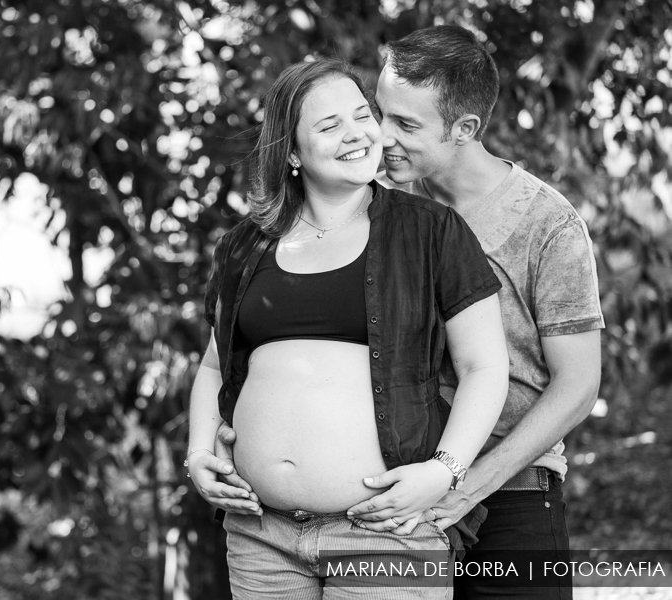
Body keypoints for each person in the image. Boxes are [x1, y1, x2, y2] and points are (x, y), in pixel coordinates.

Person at [186, 57, 509, 599]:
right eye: (329, 125)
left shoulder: (430, 230)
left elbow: (484, 367)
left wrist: (444, 472)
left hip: (383, 536)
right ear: (290, 151)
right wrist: (199, 453)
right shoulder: (245, 246)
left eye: (362, 115)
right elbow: (215, 366)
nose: (356, 133)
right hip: (259, 537)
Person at [327, 25, 604, 599]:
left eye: (406, 125)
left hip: (510, 495)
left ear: (466, 129)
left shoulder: (546, 223)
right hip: (386, 493)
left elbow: (578, 384)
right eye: (381, 113)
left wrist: (470, 485)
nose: (382, 136)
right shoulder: (370, 201)